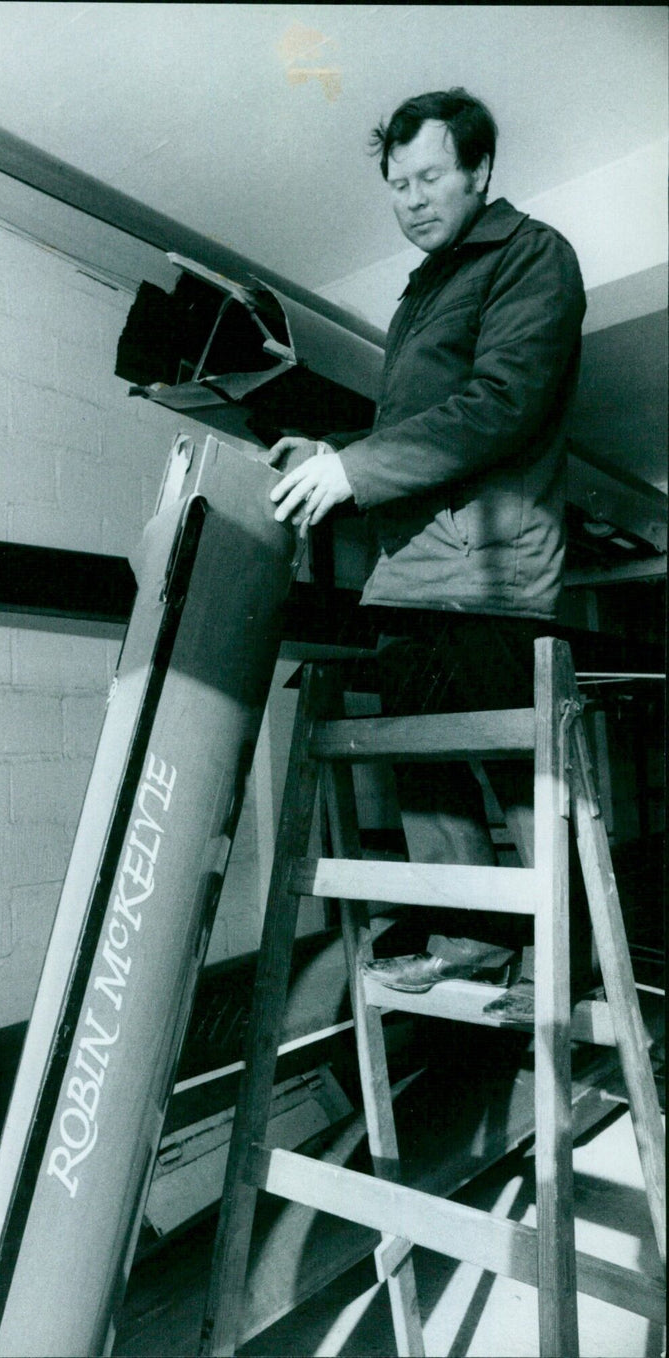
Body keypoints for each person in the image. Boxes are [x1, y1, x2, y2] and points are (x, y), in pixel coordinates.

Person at [268, 88, 589, 999]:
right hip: (409, 572)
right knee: (424, 769)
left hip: (490, 574)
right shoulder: (424, 288)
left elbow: (500, 405)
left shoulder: (532, 256)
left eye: (430, 176)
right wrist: (340, 457)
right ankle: (467, 938)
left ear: (480, 171)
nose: (411, 198)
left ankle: (567, 960)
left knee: (521, 779)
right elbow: (423, 423)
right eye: (396, 183)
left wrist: (357, 472)